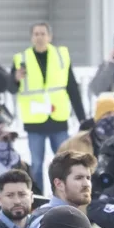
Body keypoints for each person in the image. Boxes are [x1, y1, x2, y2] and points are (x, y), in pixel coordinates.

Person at [13, 23, 84, 194]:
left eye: (43, 33)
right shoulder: (22, 58)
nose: (39, 37)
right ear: (31, 37)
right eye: (36, 34)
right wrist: (15, 79)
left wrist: (82, 117)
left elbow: (72, 87)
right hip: (35, 121)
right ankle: (37, 199)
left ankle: (64, 195)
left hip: (57, 119)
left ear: (49, 37)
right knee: (36, 164)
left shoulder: (61, 56)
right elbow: (11, 87)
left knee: (65, 162)